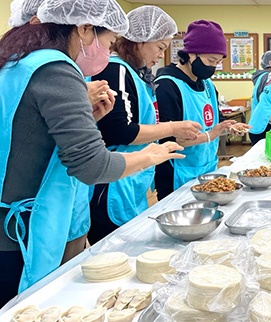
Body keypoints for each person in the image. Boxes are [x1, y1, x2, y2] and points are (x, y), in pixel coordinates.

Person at [0, 0, 185, 305]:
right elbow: (91, 165)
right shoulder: (56, 69)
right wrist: (151, 155)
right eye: (110, 41)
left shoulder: (18, 61)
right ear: (85, 29)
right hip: (25, 231)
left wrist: (89, 118)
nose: (109, 51)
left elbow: (32, 136)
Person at [86, 6, 197, 244]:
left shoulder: (137, 75)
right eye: (159, 48)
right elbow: (120, 131)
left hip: (133, 178)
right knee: (110, 248)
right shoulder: (116, 70)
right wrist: (173, 128)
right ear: (138, 40)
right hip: (113, 182)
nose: (160, 56)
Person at [154, 20, 249, 200]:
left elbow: (215, 121)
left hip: (207, 169)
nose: (213, 67)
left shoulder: (207, 85)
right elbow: (166, 140)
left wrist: (228, 127)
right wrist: (210, 135)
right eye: (210, 60)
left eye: (218, 62)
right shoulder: (167, 85)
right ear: (191, 54)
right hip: (178, 174)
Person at [9, 0, 117, 123]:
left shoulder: (14, 60)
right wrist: (75, 103)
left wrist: (78, 111)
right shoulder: (53, 68)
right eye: (111, 43)